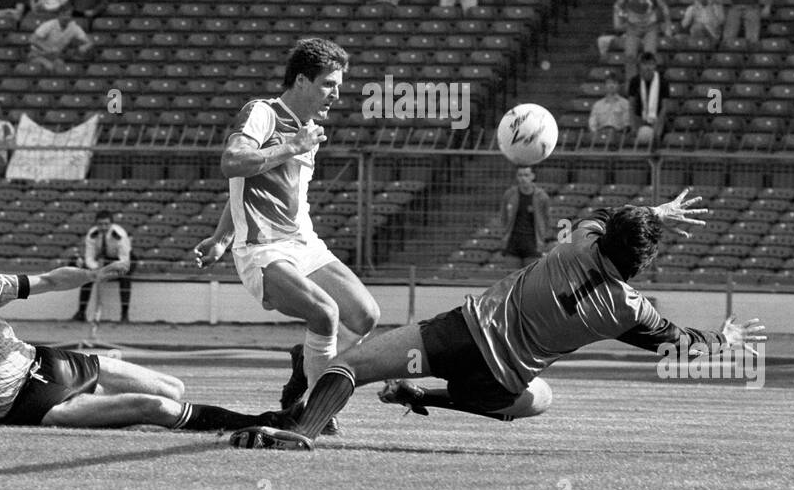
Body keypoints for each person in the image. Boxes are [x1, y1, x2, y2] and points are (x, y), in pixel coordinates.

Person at [229, 192, 766, 450]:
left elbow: (606, 213)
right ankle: (427, 398)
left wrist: (656, 213)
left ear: (606, 236)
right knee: (542, 399)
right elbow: (681, 345)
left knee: (350, 365)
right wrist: (728, 340)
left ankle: (303, 430)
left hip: (458, 335)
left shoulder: (578, 241)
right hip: (495, 384)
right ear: (642, 263)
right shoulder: (629, 312)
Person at [0, 240, 279, 432]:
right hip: (28, 404)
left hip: (50, 362)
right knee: (157, 407)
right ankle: (267, 424)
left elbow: (51, 280)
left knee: (174, 387)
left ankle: (113, 416)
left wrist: (94, 274)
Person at [194, 39, 381, 430]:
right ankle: (314, 414)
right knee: (325, 314)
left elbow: (248, 185)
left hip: (303, 243)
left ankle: (304, 365)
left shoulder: (308, 130)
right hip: (263, 249)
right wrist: (229, 240)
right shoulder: (262, 113)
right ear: (301, 80)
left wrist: (219, 236)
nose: (337, 93)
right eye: (329, 84)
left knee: (364, 316)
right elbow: (233, 163)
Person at [74, 209, 134, 323]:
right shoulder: (92, 234)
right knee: (86, 276)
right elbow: (89, 257)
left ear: (111, 224)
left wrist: (109, 270)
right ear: (96, 224)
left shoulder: (119, 235)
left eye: (106, 224)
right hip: (101, 260)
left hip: (121, 260)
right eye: (100, 224)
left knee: (125, 277)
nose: (103, 227)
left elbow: (124, 259)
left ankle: (124, 314)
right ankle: (81, 312)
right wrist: (96, 270)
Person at [500, 166, 553, 269]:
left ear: (533, 176)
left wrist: (543, 238)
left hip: (532, 243)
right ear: (516, 177)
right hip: (512, 242)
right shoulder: (509, 194)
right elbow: (503, 217)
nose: (523, 178)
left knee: (530, 279)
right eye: (520, 175)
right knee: (512, 278)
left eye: (526, 175)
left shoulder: (542, 196)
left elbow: (547, 219)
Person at [629, 53, 666, 148]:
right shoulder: (634, 81)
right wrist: (634, 127)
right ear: (640, 66)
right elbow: (631, 106)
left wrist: (657, 130)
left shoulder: (663, 82)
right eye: (645, 64)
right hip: (639, 119)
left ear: (655, 65)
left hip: (657, 120)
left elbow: (664, 107)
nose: (648, 67)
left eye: (650, 64)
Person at [588, 73, 631, 137]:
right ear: (605, 86)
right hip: (601, 135)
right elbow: (592, 124)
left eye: (614, 83)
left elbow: (626, 124)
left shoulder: (625, 103)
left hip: (618, 136)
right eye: (608, 83)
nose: (611, 85)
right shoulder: (597, 105)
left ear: (618, 85)